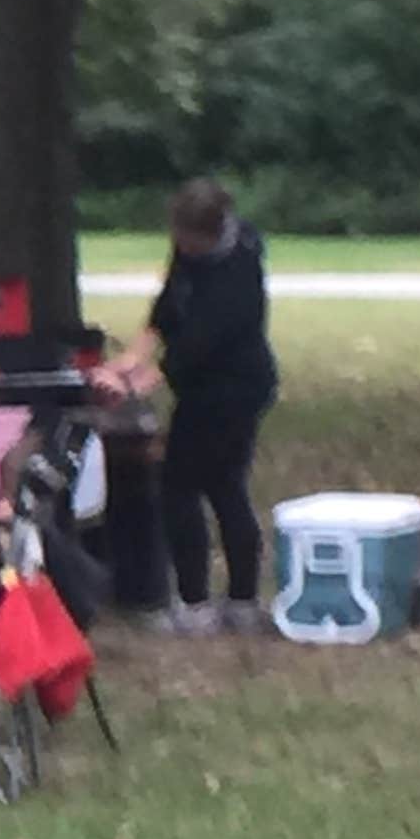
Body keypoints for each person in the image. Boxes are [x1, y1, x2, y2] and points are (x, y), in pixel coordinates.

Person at [95, 178, 278, 635]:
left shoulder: (239, 270)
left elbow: (202, 343)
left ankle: (203, 605)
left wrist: (141, 380)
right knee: (218, 486)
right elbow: (168, 306)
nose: (179, 246)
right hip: (202, 384)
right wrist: (133, 356)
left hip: (235, 387)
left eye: (186, 239)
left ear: (209, 234)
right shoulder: (192, 253)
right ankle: (237, 602)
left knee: (187, 488)